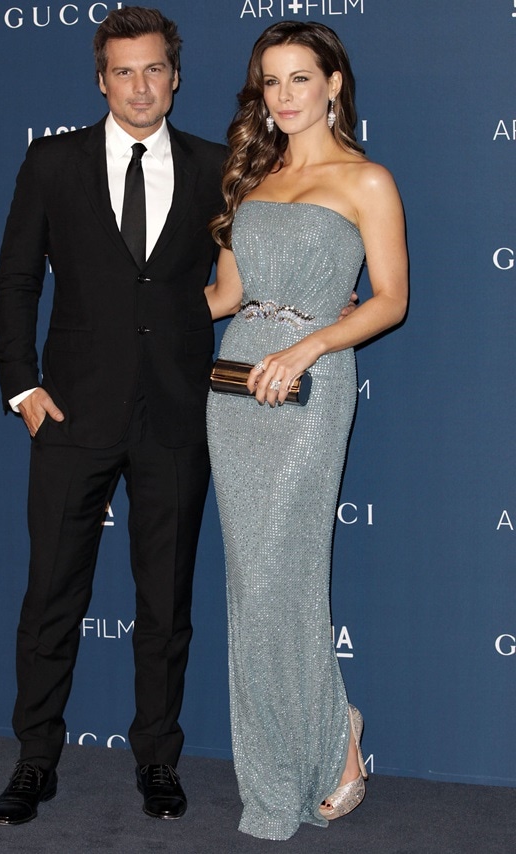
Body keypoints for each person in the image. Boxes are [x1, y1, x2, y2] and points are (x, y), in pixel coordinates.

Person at [0, 7, 227, 825]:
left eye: (154, 68)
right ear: (101, 79)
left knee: (165, 605)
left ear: (175, 76)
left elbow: (240, 273)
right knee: (52, 593)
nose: (140, 85)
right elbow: (17, 276)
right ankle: (34, 759)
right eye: (124, 71)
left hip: (175, 415)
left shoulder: (215, 166)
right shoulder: (53, 161)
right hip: (71, 415)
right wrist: (22, 387)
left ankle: (157, 760)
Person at [205, 21, 408, 841]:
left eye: (300, 79)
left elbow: (389, 298)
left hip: (310, 386)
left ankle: (337, 744)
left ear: (333, 85)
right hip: (233, 389)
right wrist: (125, 304)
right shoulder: (252, 179)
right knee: (253, 590)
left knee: (283, 580)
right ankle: (296, 765)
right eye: (271, 83)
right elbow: (222, 296)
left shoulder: (367, 181)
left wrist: (311, 345)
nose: (284, 97)